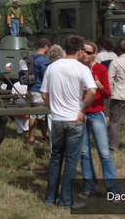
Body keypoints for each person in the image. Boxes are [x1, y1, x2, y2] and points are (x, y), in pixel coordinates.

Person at [41, 35, 96, 209]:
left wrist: (53, 109)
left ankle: (50, 197)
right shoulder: (81, 68)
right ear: (80, 51)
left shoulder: (52, 67)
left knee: (56, 157)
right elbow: (93, 91)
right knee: (71, 161)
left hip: (57, 119)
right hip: (74, 119)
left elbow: (44, 94)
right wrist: (82, 110)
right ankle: (65, 201)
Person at [78, 40, 120, 199]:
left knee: (104, 152)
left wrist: (99, 87)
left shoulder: (101, 69)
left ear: (95, 53)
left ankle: (113, 189)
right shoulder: (77, 68)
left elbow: (108, 93)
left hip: (96, 113)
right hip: (81, 113)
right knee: (84, 152)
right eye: (83, 51)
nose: (85, 55)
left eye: (89, 52)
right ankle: (89, 186)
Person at [27, 38, 50, 144]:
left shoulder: (32, 56)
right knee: (34, 114)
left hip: (31, 87)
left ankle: (45, 136)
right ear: (45, 46)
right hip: (39, 89)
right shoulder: (43, 60)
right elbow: (46, 76)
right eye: (48, 47)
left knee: (40, 114)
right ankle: (31, 138)